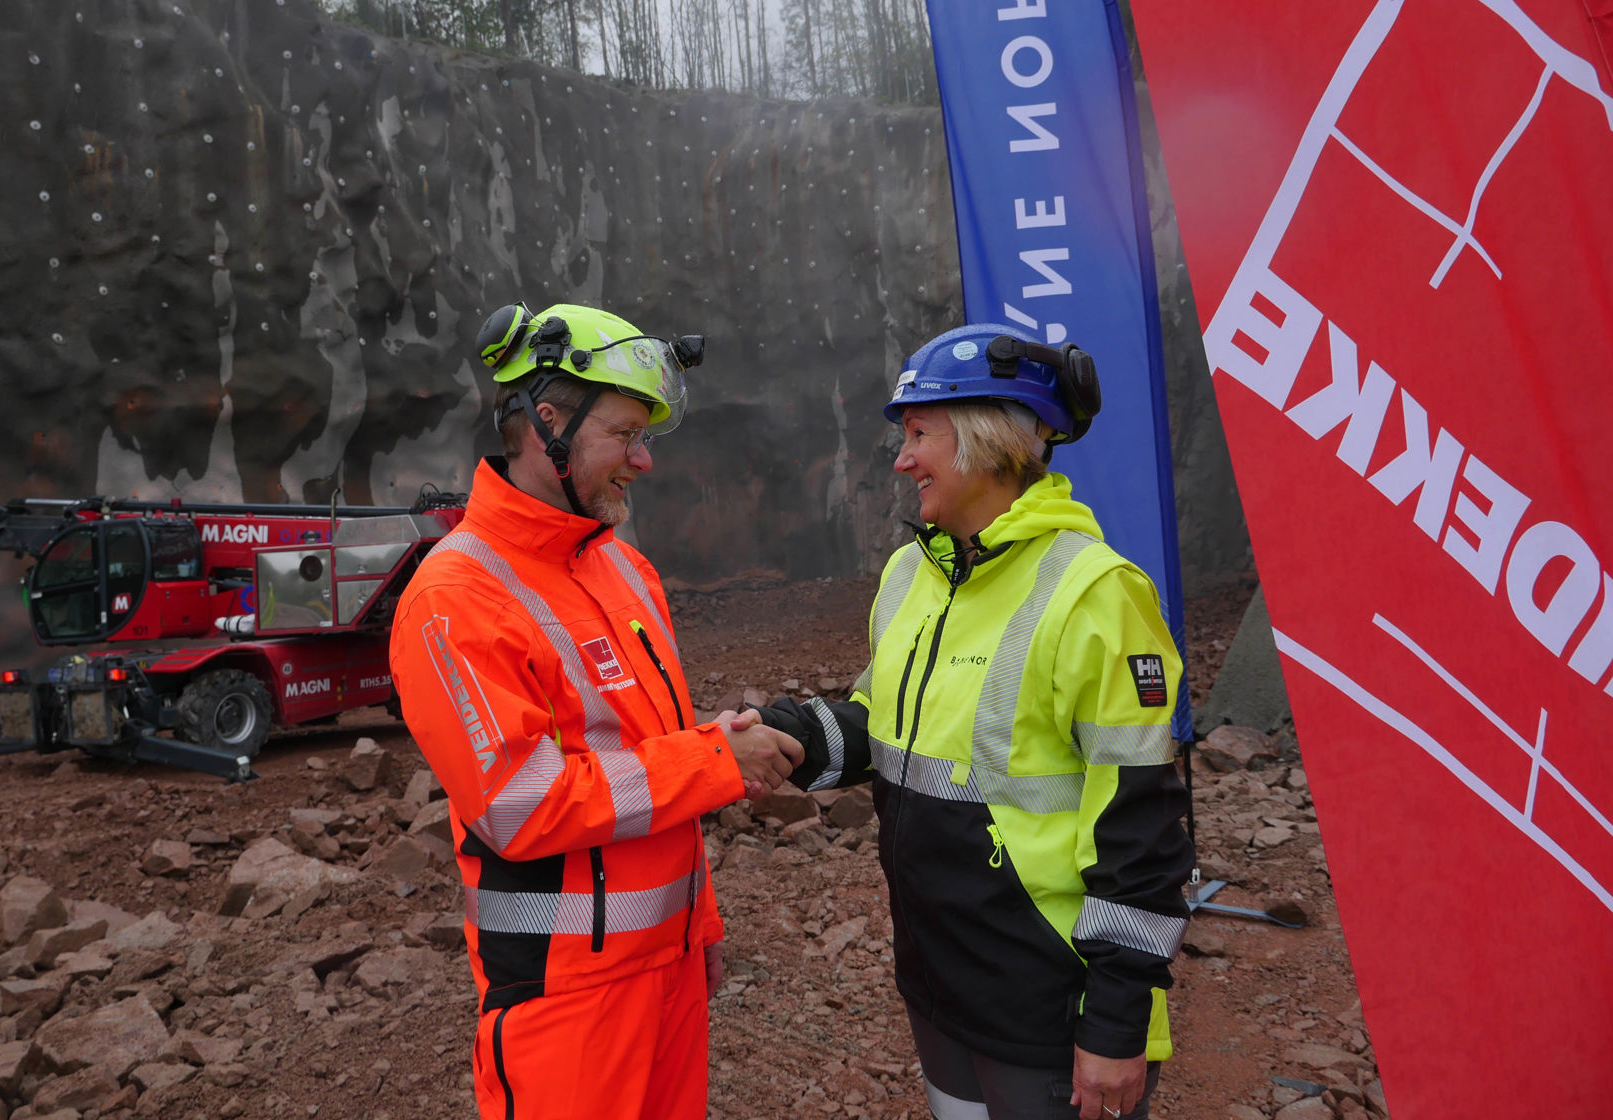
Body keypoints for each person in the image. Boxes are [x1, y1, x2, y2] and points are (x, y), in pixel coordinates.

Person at [740, 323, 1194, 1120]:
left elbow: (1144, 837)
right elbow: (887, 726)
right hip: (937, 981)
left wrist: (1117, 1026)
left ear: (987, 442)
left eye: (920, 435)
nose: (902, 458)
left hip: (1048, 1004)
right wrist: (795, 737)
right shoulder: (913, 570)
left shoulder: (1095, 595)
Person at [389, 301, 804, 1120]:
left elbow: (651, 757)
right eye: (625, 434)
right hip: (563, 999)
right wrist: (720, 760)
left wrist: (700, 924)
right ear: (548, 423)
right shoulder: (456, 595)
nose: (643, 461)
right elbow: (521, 804)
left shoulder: (620, 568)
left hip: (669, 973)